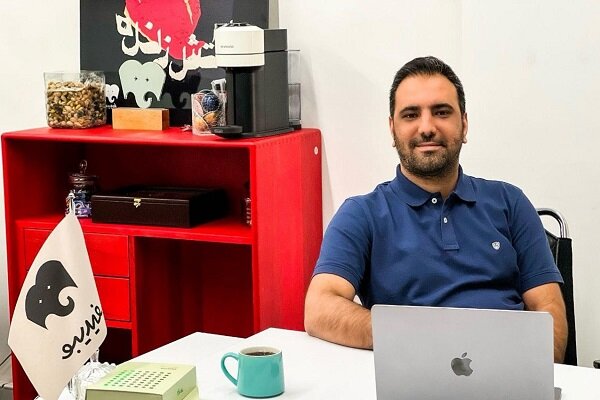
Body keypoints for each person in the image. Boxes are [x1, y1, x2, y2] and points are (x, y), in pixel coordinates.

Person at [304, 56, 567, 363]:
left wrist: (535, 374)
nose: (427, 127)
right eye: (411, 115)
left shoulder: (511, 202)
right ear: (392, 129)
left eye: (441, 112)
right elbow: (319, 308)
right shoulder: (361, 215)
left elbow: (548, 311)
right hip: (410, 371)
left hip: (510, 373)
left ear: (464, 124)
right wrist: (420, 341)